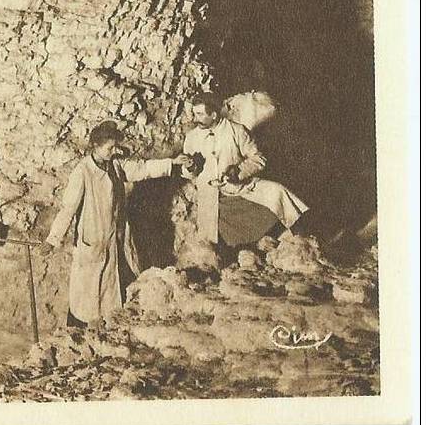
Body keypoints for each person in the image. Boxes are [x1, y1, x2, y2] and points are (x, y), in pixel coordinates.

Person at [41, 121, 192, 327]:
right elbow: (68, 208)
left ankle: (110, 328)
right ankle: (80, 331)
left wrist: (172, 163)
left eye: (114, 147)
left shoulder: (115, 164)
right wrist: (52, 239)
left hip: (115, 237)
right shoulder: (83, 172)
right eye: (109, 148)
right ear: (95, 145)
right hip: (92, 241)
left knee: (113, 289)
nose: (113, 151)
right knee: (88, 294)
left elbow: (143, 169)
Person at [181, 93, 309, 249]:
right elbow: (188, 173)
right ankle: (246, 249)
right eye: (194, 113)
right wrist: (189, 167)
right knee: (214, 240)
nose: (195, 118)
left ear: (213, 114)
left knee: (277, 192)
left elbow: (258, 159)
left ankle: (303, 240)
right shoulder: (192, 138)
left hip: (238, 188)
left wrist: (239, 171)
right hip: (211, 196)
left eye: (200, 114)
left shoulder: (236, 131)